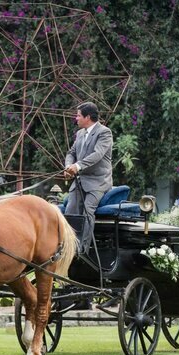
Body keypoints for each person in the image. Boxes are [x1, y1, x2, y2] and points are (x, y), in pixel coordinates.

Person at [64, 102, 113, 253]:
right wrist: (68, 167)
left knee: (88, 211)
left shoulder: (104, 132)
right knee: (70, 210)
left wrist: (77, 167)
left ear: (88, 117)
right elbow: (71, 153)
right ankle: (66, 246)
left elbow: (97, 155)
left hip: (98, 182)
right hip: (80, 181)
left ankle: (82, 249)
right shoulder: (80, 134)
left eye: (78, 115)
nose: (76, 118)